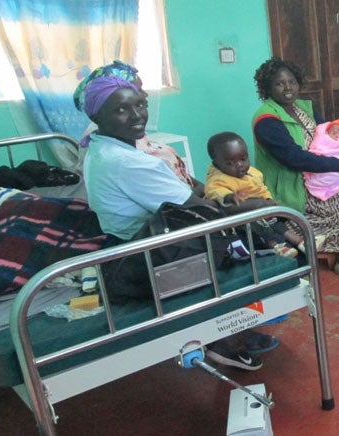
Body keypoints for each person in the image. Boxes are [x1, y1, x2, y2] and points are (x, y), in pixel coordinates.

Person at [80, 74, 278, 371]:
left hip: (128, 239)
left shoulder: (107, 147)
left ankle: (233, 327)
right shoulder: (130, 162)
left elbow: (187, 188)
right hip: (144, 252)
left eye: (140, 105)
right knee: (249, 238)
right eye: (122, 109)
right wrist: (258, 206)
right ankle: (222, 340)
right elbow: (205, 212)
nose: (137, 116)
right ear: (97, 116)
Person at [252, 57, 339, 281]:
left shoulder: (303, 107)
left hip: (323, 174)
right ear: (267, 89)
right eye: (280, 84)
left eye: (291, 81)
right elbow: (294, 158)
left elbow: (329, 138)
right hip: (296, 184)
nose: (288, 87)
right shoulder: (266, 120)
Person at [74, 60, 204, 196]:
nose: (144, 94)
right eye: (138, 89)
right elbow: (177, 199)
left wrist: (205, 189)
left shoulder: (127, 134)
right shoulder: (117, 148)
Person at [205, 131, 324, 257]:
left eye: (243, 159)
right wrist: (229, 197)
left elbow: (261, 188)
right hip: (243, 218)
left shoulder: (251, 172)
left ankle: (301, 242)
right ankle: (276, 247)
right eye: (230, 163)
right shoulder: (218, 179)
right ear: (216, 164)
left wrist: (268, 199)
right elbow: (215, 191)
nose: (239, 165)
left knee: (278, 224)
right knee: (258, 227)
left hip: (263, 211)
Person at [303, 114, 339, 201]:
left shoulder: (306, 107)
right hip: (315, 173)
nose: (335, 132)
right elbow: (319, 147)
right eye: (333, 130)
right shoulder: (323, 137)